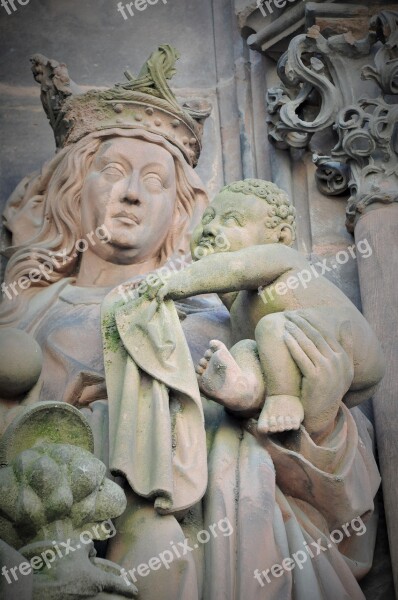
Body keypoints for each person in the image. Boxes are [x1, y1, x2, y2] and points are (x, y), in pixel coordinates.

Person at [0, 46, 380, 600]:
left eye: (154, 180)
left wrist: (316, 421)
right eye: (111, 171)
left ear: (180, 206)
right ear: (71, 190)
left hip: (208, 549)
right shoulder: (23, 312)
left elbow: (342, 500)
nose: (130, 192)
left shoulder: (226, 311)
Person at [149, 179, 385, 435]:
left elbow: (231, 269)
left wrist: (171, 283)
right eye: (208, 218)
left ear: (280, 236)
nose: (211, 228)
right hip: (309, 371)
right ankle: (245, 390)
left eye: (231, 220)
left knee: (273, 326)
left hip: (354, 348)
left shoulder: (280, 257)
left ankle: (283, 398)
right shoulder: (239, 311)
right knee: (245, 349)